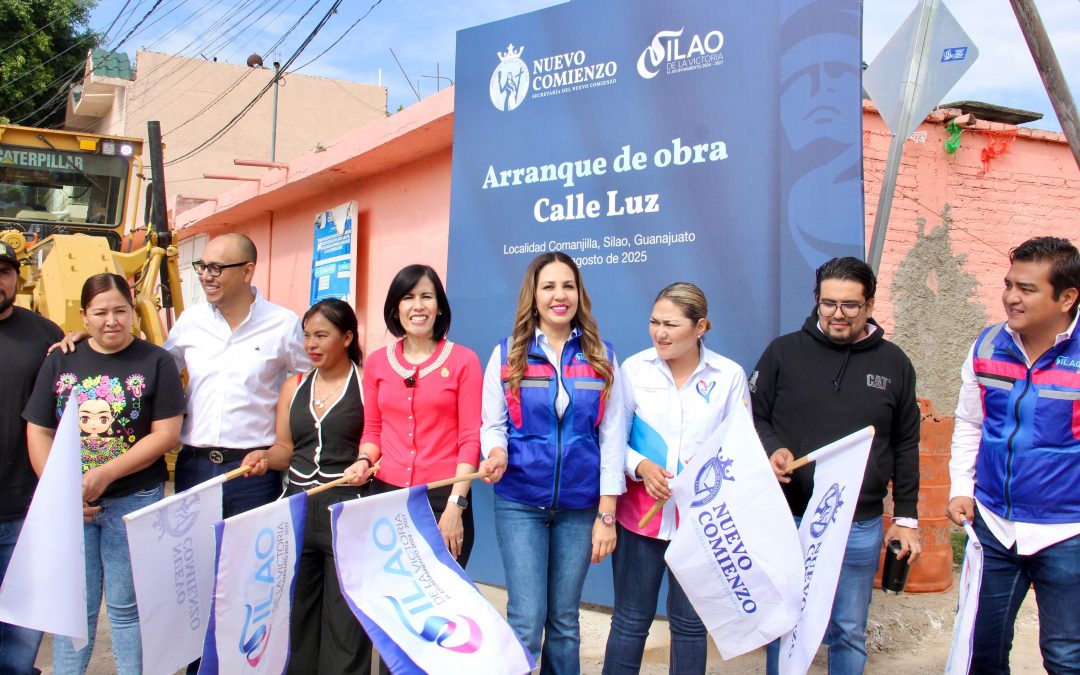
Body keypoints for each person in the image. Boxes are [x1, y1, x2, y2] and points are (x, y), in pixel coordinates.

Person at [750, 256, 920, 674]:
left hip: (857, 524)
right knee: (785, 621)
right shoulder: (782, 352)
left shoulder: (894, 363)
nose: (837, 315)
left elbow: (906, 442)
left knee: (848, 628)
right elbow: (753, 415)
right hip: (789, 514)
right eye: (828, 304)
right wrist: (772, 448)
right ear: (816, 301)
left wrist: (907, 517)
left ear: (870, 305)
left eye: (849, 305)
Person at [23, 273, 185, 675]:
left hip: (133, 499)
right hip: (72, 506)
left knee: (126, 607)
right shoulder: (60, 358)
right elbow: (40, 428)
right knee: (73, 608)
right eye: (100, 312)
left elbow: (166, 433)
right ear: (83, 315)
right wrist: (60, 493)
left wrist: (106, 474)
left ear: (133, 311)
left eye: (120, 310)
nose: (111, 320)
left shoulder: (156, 360)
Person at [478, 251, 626, 674]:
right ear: (534, 294)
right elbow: (493, 425)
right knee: (526, 620)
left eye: (568, 286)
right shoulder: (507, 355)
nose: (559, 295)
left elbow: (612, 439)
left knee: (564, 622)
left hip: (580, 509)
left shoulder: (602, 356)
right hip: (520, 503)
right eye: (549, 286)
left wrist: (607, 515)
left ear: (579, 294)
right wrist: (497, 451)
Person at [947, 236, 1080, 673]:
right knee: (981, 653)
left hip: (1068, 534)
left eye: (1026, 288)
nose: (1010, 297)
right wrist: (961, 488)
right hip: (994, 529)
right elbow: (970, 422)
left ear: (1067, 297)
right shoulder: (986, 345)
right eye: (1008, 284)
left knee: (1066, 657)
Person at [602, 282, 750, 675]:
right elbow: (612, 438)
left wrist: (705, 476)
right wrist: (642, 468)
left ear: (700, 326)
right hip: (639, 520)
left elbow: (739, 447)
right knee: (630, 621)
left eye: (671, 324)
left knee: (689, 626)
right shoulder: (633, 368)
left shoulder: (729, 376)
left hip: (700, 525)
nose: (659, 333)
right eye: (654, 322)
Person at [242, 298, 371, 674]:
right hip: (296, 507)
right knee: (296, 615)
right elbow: (285, 448)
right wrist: (264, 457)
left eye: (322, 336)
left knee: (345, 621)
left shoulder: (367, 385)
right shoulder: (293, 386)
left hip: (347, 510)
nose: (311, 344)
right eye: (307, 336)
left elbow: (376, 443)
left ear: (347, 337)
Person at [344, 265, 481, 566]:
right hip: (385, 499)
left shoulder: (464, 361)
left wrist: (455, 505)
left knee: (442, 600)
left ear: (440, 308)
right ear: (395, 309)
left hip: (442, 499)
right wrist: (363, 461)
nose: (417, 306)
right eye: (408, 297)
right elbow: (373, 431)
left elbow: (470, 438)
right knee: (389, 598)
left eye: (426, 297)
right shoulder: (378, 363)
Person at [164, 233, 309, 516]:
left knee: (250, 558)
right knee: (194, 558)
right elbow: (155, 367)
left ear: (247, 271)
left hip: (253, 470)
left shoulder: (282, 324)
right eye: (202, 267)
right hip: (194, 467)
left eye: (216, 268)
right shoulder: (191, 322)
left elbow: (310, 384)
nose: (206, 276)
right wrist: (91, 342)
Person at [0, 240, 62, 674]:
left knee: (21, 629)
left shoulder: (46, 335)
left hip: (25, 506)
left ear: (16, 278)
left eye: (3, 271)